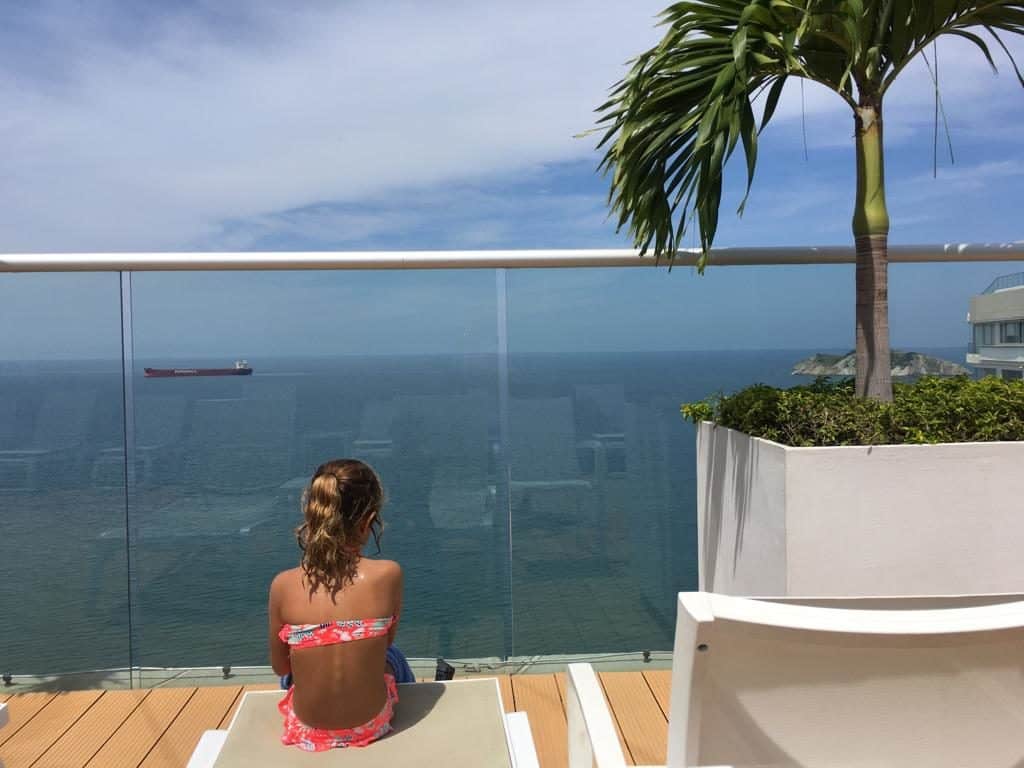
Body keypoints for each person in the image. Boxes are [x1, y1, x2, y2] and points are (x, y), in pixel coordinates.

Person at [268, 459, 414, 751]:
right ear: (368, 520)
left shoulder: (282, 585)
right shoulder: (388, 574)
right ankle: (411, 694)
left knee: (296, 661)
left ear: (313, 517)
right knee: (394, 656)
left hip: (308, 729)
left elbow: (281, 666)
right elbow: (384, 643)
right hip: (371, 724)